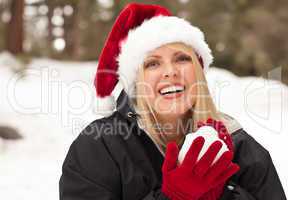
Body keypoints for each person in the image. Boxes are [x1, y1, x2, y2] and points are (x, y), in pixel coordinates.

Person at [59, 3, 287, 200]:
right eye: (152, 64)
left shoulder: (241, 146)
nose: (170, 72)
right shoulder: (100, 147)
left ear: (198, 71)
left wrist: (223, 194)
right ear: (136, 82)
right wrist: (175, 197)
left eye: (182, 59)